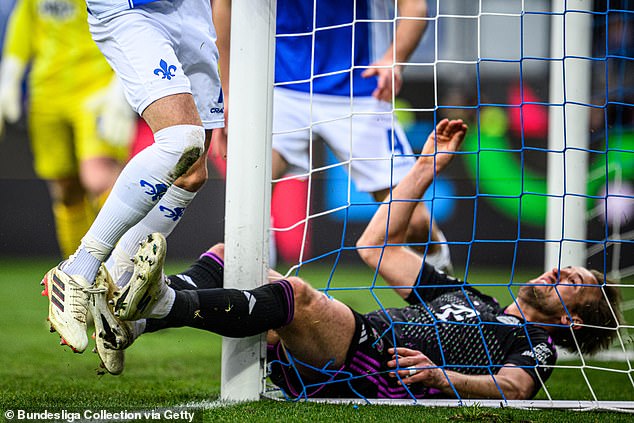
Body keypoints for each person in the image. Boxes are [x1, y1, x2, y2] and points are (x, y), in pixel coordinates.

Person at [105, 119, 622, 399]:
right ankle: (132, 321)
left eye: (573, 281)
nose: (558, 270)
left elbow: (515, 388)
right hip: (351, 342)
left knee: (296, 297)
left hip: (374, 366)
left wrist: (447, 380)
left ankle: (148, 305)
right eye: (567, 266)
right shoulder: (467, 297)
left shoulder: (535, 344)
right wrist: (426, 167)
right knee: (229, 256)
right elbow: (373, 247)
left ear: (571, 318)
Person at [40, 0, 225, 355]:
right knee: (182, 138)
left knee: (192, 174)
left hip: (194, 12)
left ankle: (118, 285)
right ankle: (77, 270)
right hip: (134, 8)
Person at [213, 0, 451, 270]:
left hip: (359, 89)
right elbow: (224, 4)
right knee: (248, 206)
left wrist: (393, 59)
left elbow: (415, 8)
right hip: (278, 86)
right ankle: (252, 302)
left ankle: (445, 295)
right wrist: (229, 90)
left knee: (415, 221)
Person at [0, 0, 134, 258]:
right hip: (47, 91)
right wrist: (9, 79)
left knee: (98, 175)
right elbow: (23, 26)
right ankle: (79, 275)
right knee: (65, 188)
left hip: (96, 86)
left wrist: (120, 87)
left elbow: (125, 21)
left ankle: (126, 265)